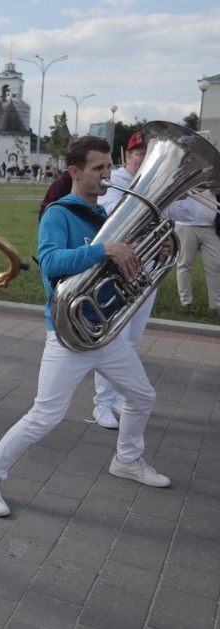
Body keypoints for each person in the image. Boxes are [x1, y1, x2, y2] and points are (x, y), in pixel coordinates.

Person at [0, 136, 170, 520]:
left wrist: (148, 254)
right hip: (69, 334)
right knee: (45, 415)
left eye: (109, 166)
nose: (106, 175)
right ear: (74, 172)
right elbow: (50, 263)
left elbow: (120, 272)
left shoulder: (109, 216)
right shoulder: (58, 214)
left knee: (142, 396)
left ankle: (127, 459)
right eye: (98, 168)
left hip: (105, 333)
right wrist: (104, 249)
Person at [89, 130, 195, 429]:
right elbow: (111, 213)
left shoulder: (159, 186)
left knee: (133, 338)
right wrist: (150, 191)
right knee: (115, 336)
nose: (144, 160)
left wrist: (182, 189)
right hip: (118, 268)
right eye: (139, 154)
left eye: (149, 156)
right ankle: (102, 403)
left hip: (148, 268)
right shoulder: (116, 181)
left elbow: (191, 213)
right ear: (128, 155)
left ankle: (120, 396)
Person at [175, 187, 220, 311]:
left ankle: (216, 306)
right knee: (184, 264)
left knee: (215, 266)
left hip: (211, 226)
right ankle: (186, 303)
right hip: (185, 225)